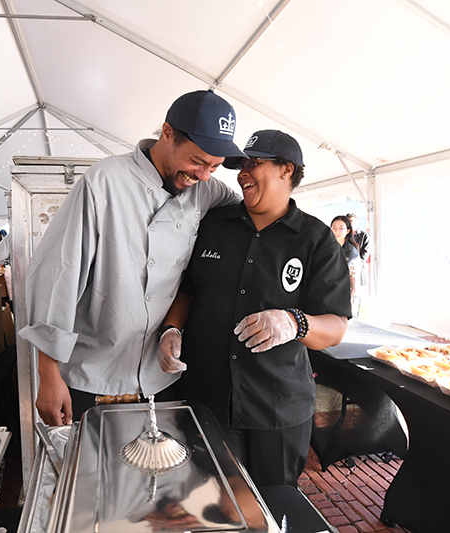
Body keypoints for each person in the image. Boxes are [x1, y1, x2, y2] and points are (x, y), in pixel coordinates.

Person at [20, 90, 245, 425]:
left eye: (214, 167)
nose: (204, 175)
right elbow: (59, 275)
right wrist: (48, 372)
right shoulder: (105, 181)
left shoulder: (207, 190)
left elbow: (250, 213)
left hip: (160, 377)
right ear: (167, 133)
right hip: (92, 378)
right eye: (198, 162)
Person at [158, 129, 352, 487]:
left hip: (276, 408)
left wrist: (295, 322)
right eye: (241, 165)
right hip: (207, 399)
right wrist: (171, 329)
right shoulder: (215, 224)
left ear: (286, 170)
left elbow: (336, 326)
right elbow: (186, 291)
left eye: (254, 163)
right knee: (209, 504)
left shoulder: (316, 240)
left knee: (271, 505)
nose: (242, 173)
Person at [331, 215, 360, 313]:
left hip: (348, 286)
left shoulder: (351, 250)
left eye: (341, 229)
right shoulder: (330, 246)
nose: (337, 231)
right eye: (334, 228)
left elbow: (341, 270)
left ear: (348, 231)